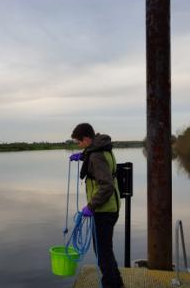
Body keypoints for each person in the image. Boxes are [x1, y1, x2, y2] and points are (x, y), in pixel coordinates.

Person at [69, 123, 123, 288]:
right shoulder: (102, 148)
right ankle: (117, 283)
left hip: (103, 210)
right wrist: (83, 156)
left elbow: (106, 185)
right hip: (111, 207)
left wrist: (90, 207)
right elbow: (97, 162)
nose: (78, 145)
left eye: (79, 142)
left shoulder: (96, 155)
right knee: (105, 250)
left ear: (86, 139)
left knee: (102, 253)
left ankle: (110, 285)